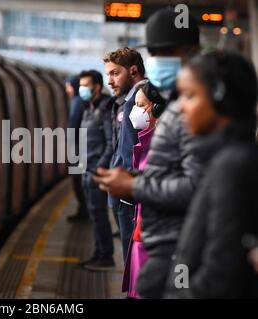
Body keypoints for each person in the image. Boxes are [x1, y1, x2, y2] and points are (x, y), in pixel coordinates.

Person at [94, 8, 203, 298]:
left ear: (192, 52)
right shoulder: (174, 105)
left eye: (166, 51)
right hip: (159, 242)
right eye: (155, 51)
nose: (159, 59)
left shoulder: (202, 110)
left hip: (183, 250)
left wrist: (133, 185)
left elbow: (196, 185)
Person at [164, 51, 258, 298]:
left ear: (219, 97)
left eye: (189, 95)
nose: (181, 107)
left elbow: (221, 273)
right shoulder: (227, 157)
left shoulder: (232, 166)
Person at [120, 82, 165, 298]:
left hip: (154, 242)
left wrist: (132, 185)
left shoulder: (160, 147)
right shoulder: (145, 142)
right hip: (142, 236)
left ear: (156, 108)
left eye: (139, 105)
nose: (134, 112)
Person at [103, 47, 147, 260]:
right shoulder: (134, 100)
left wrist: (122, 191)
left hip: (129, 196)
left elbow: (131, 153)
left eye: (114, 73)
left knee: (132, 258)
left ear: (133, 70)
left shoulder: (135, 103)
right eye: (108, 75)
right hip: (130, 193)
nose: (110, 81)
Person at [78, 70, 116, 271]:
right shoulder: (89, 109)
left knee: (99, 215)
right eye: (81, 85)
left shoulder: (104, 109)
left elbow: (111, 143)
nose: (82, 89)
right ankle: (98, 253)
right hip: (87, 170)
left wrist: (99, 168)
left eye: (85, 85)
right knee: (94, 215)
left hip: (95, 172)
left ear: (97, 87)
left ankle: (105, 256)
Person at [65, 75, 89, 222]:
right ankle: (84, 210)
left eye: (67, 85)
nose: (66, 89)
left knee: (78, 181)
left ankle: (83, 211)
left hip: (79, 149)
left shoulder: (77, 102)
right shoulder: (82, 101)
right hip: (83, 147)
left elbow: (73, 126)